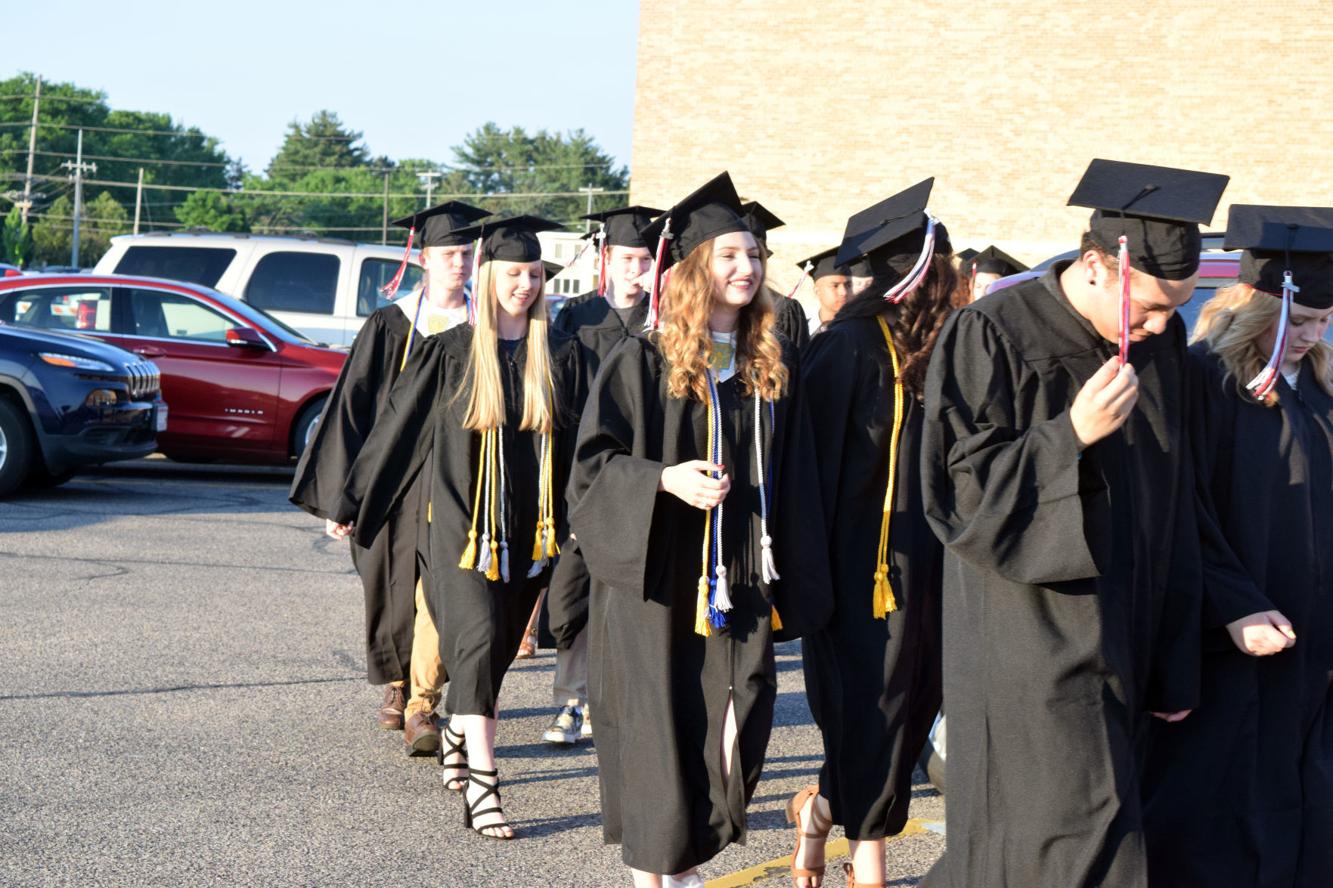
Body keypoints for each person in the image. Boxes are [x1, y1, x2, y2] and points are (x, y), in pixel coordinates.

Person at [919, 159, 1230, 888]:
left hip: (1133, 631)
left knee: (1111, 826)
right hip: (1030, 641)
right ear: (1095, 266)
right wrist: (1069, 436)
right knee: (1051, 835)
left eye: (1171, 312)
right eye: (1148, 309)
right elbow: (958, 495)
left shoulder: (1160, 353)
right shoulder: (990, 333)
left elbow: (1181, 506)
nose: (1159, 327)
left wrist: (1174, 655)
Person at [563, 172, 831, 887]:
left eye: (754, 256)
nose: (747, 269)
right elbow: (590, 473)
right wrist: (661, 479)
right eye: (729, 256)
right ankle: (660, 875)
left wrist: (801, 581)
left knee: (739, 716)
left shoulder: (767, 365)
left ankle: (683, 859)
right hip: (656, 583)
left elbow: (798, 476)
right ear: (693, 270)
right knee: (659, 736)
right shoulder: (642, 362)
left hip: (740, 583)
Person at [337, 215, 585, 839]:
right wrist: (354, 500)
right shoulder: (448, 353)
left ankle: (457, 727)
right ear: (488, 276)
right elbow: (396, 431)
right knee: (473, 638)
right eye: (512, 274)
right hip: (458, 529)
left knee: (496, 652)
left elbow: (587, 447)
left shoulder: (561, 356)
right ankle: (484, 783)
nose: (524, 285)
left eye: (533, 274)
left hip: (532, 533)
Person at [1142, 204, 1333, 887]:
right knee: (1222, 803)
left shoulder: (1317, 385)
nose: (1311, 335)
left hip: (1310, 642)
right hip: (1233, 634)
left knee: (1304, 792)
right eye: (1300, 321)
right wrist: (1235, 603)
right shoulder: (1206, 381)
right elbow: (1181, 508)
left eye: (1320, 321)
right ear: (1260, 309)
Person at [791, 180, 952, 888]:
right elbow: (807, 476)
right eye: (943, 271)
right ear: (914, 275)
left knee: (913, 708)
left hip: (934, 563)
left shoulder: (947, 348)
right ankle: (870, 866)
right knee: (870, 708)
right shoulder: (844, 349)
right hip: (859, 569)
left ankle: (820, 811)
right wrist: (810, 579)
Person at [289, 201, 490, 755]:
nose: (460, 263)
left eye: (466, 254)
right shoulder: (391, 323)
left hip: (456, 478)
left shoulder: (483, 325)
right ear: (424, 259)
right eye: (450, 254)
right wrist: (340, 497)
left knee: (443, 589)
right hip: (390, 481)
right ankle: (397, 684)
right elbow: (350, 411)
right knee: (389, 584)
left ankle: (423, 701)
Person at [539, 204, 662, 746]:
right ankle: (572, 698)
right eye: (628, 258)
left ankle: (610, 703)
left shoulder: (663, 322)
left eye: (646, 259)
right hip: (582, 474)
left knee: (629, 590)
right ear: (606, 257)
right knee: (575, 592)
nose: (636, 269)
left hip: (641, 476)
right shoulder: (575, 318)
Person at [742, 200, 811, 349]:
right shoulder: (706, 308)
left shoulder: (785, 308)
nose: (746, 267)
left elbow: (800, 365)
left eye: (755, 257)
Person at [791, 247, 852, 338]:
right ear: (817, 291)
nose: (843, 292)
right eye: (835, 286)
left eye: (848, 285)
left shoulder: (860, 331)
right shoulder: (800, 333)